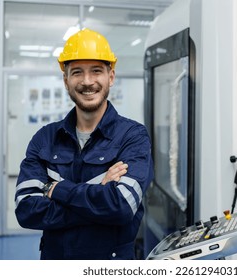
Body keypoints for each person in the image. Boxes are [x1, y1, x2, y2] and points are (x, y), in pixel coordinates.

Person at [14, 28, 154, 260]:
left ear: (111, 76)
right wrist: (100, 192)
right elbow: (26, 210)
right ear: (66, 80)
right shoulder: (45, 138)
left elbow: (121, 206)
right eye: (77, 72)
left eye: (96, 71)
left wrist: (55, 189)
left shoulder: (133, 136)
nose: (87, 82)